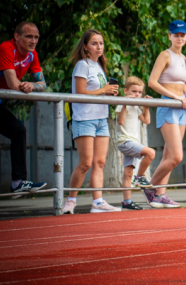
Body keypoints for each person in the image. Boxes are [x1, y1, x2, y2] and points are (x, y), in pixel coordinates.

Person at [63, 29, 120, 214]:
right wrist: (104, 90)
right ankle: (70, 201)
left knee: (100, 162)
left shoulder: (99, 67)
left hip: (101, 118)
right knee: (85, 163)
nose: (99, 46)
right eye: (94, 43)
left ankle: (98, 202)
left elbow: (100, 92)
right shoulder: (82, 65)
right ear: (85, 47)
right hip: (84, 118)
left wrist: (110, 92)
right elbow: (79, 93)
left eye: (101, 43)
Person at [145, 20, 186, 209]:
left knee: (167, 155)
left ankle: (160, 195)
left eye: (182, 35)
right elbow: (152, 82)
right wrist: (174, 97)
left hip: (181, 109)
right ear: (169, 36)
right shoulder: (165, 55)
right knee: (176, 157)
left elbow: (182, 83)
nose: (179, 38)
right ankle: (148, 187)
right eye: (176, 35)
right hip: (168, 106)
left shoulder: (183, 58)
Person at [0, 21, 48, 196]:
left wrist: (31, 85)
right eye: (29, 36)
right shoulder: (6, 48)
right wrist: (24, 85)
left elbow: (42, 85)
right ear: (16, 37)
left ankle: (18, 182)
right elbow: (13, 84)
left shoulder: (31, 54)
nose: (33, 40)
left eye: (36, 37)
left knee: (19, 131)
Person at [116, 77, 156, 210]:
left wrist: (145, 106)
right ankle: (140, 177)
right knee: (150, 153)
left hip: (133, 142)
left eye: (139, 92)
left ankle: (126, 201)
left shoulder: (136, 107)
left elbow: (147, 120)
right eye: (134, 91)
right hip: (125, 141)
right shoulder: (122, 104)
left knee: (128, 173)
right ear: (126, 91)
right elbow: (121, 121)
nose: (137, 95)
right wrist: (124, 104)